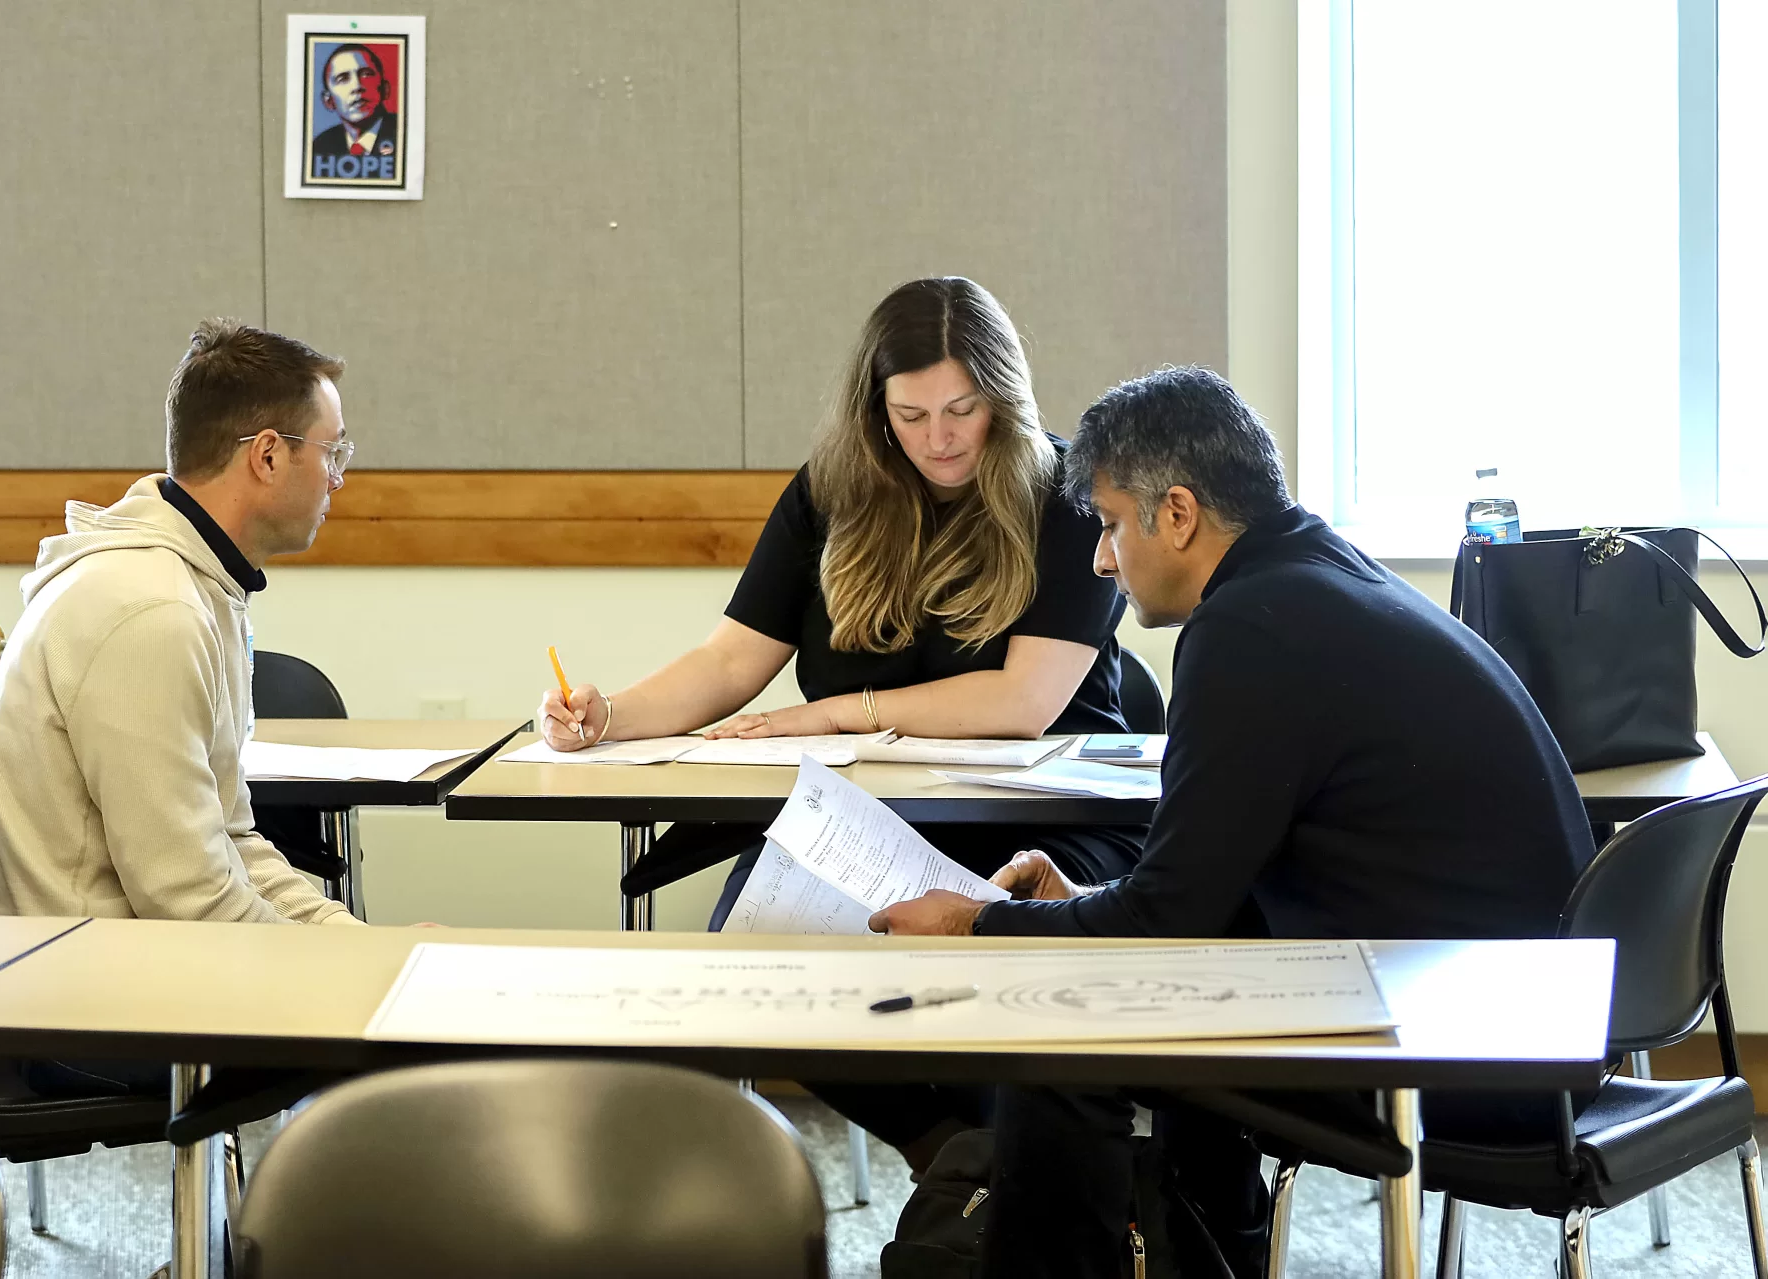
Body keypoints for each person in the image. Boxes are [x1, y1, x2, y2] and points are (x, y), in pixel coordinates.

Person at [869, 366, 1596, 1278]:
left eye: (1109, 523)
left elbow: (1165, 920)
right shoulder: (1318, 573)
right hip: (1514, 1017)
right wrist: (1091, 902)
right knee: (1161, 999)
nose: (1100, 557)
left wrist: (981, 920)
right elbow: (1197, 895)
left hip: (1458, 1056)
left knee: (1057, 1031)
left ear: (1176, 514)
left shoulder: (1249, 627)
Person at [537, 276, 1148, 1169]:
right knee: (752, 952)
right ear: (875, 409)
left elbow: (1020, 703)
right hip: (869, 821)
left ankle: (1011, 1175)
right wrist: (610, 716)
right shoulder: (832, 491)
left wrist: (831, 713)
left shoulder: (1062, 495)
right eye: (909, 414)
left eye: (961, 409)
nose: (938, 438)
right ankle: (953, 1157)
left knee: (993, 971)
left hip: (1049, 818)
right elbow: (730, 660)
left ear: (1003, 400)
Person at [0, 318, 362, 933]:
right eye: (331, 450)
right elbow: (190, 900)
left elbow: (230, 841)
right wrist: (347, 966)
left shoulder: (195, 584)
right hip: (87, 998)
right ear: (267, 455)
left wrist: (354, 942)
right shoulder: (153, 612)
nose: (339, 476)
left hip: (140, 965)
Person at [311, 43, 399, 180]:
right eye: (343, 79)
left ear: (385, 89)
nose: (357, 86)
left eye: (366, 74)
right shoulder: (320, 146)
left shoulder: (405, 135)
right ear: (329, 101)